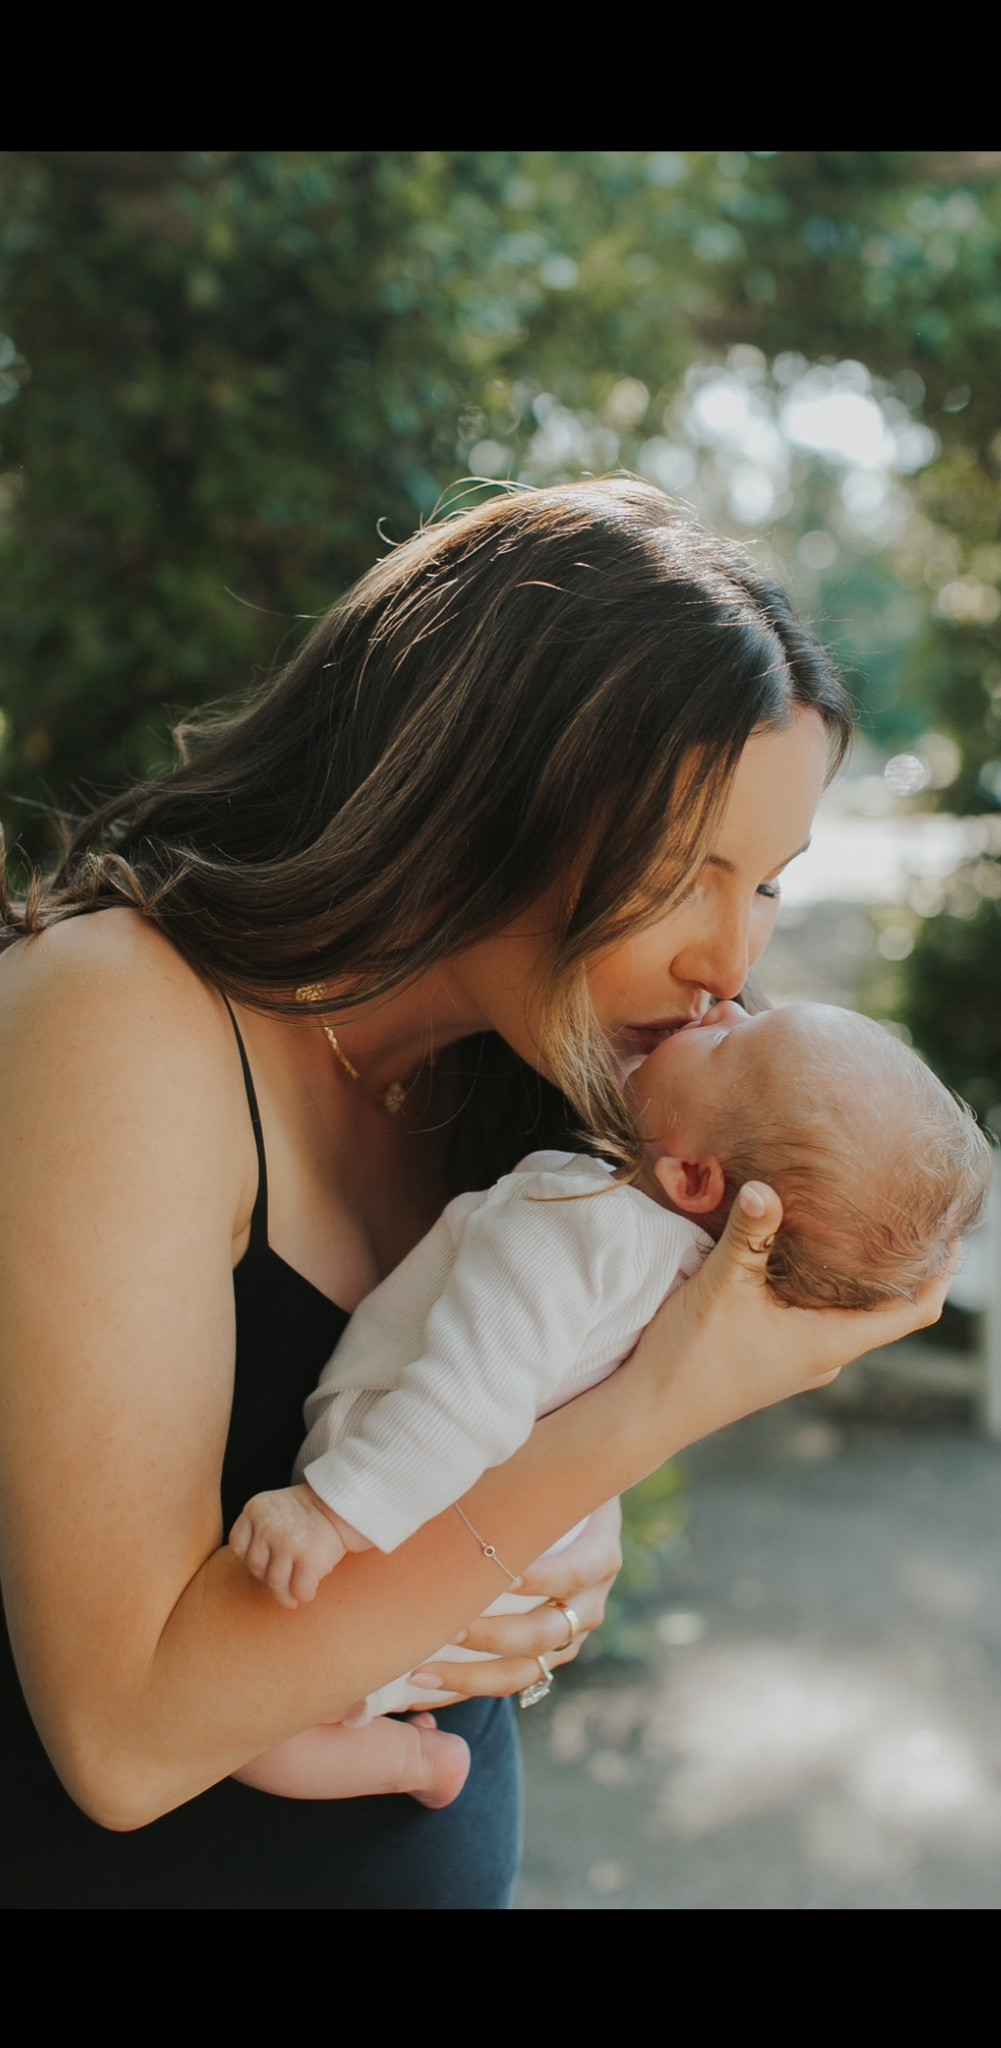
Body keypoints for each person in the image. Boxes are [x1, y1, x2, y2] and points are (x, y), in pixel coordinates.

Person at [0, 480, 953, 1909]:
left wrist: (534, 1564)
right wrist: (654, 1411)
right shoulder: (119, 1016)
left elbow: (491, 1509)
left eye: (769, 885)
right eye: (689, 873)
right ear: (493, 791)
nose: (731, 960)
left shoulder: (527, 1082)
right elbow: (125, 1740)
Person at [229, 999, 990, 1748]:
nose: (724, 1005)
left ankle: (386, 1753)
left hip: (387, 1549)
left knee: (259, 1741)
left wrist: (328, 1512)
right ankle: (410, 1762)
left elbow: (463, 1404)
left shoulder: (573, 1221)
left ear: (693, 1176)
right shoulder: (690, 1291)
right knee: (292, 1743)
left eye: (728, 1042)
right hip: (494, 1598)